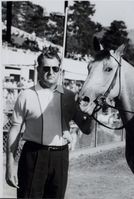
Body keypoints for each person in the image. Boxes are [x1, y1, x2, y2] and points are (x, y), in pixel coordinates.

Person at [5, 48, 92, 199]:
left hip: (60, 158)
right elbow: (14, 131)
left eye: (55, 68)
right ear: (38, 69)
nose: (51, 72)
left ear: (60, 70)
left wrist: (92, 112)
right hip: (33, 155)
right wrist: (9, 167)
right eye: (46, 68)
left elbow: (86, 129)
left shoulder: (70, 97)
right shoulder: (26, 95)